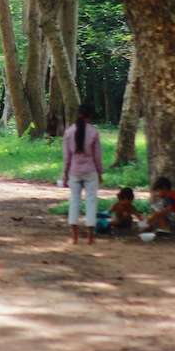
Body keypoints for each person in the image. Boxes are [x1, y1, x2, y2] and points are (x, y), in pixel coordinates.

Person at [62, 104, 103, 245]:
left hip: (74, 171)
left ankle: (74, 237)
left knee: (74, 201)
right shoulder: (94, 132)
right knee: (91, 202)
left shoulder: (69, 132)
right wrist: (100, 172)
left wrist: (65, 174)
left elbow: (66, 157)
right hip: (90, 171)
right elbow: (97, 156)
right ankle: (91, 238)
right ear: (90, 116)